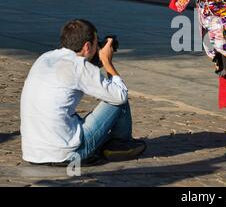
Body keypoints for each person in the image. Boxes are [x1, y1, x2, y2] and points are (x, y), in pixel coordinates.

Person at [20, 19, 146, 165]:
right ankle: (120, 145)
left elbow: (73, 74)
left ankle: (109, 144)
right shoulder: (78, 66)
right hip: (70, 153)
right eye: (95, 42)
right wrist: (106, 62)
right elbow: (119, 95)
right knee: (118, 101)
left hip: (32, 153)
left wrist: (94, 59)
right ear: (87, 46)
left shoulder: (45, 58)